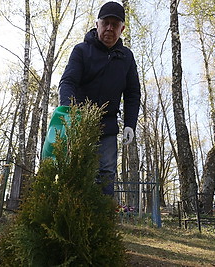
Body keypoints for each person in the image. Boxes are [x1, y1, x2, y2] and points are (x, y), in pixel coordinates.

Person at [58, 1, 141, 196]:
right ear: (97, 24)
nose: (110, 28)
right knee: (76, 170)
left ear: (122, 28)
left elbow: (132, 93)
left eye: (115, 24)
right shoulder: (81, 50)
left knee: (105, 174)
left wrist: (130, 124)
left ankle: (101, 220)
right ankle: (73, 217)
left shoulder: (127, 57)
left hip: (108, 126)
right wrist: (70, 112)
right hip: (79, 123)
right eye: (106, 23)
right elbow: (68, 82)